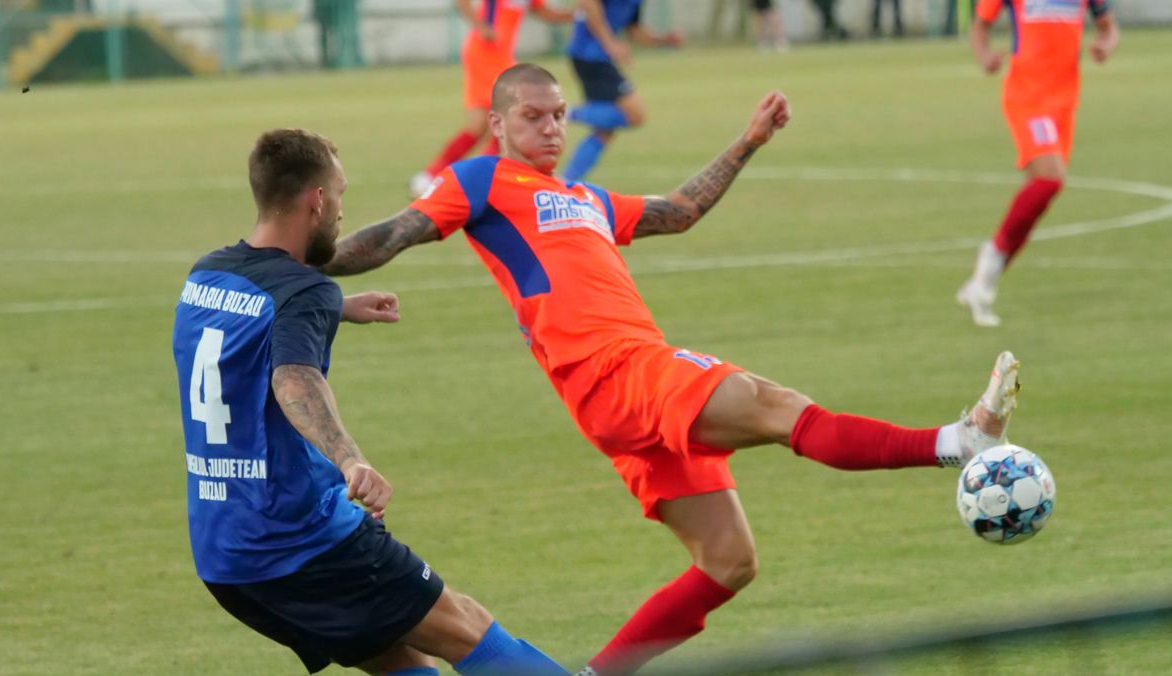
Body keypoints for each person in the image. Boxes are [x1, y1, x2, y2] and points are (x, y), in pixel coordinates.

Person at [323, 65, 1022, 674]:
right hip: (615, 370)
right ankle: (960, 441)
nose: (551, 127)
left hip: (625, 392)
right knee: (775, 405)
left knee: (729, 561)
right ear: (497, 123)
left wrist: (747, 143)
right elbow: (391, 235)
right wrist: (294, 263)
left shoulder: (587, 200)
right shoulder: (480, 179)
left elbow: (679, 211)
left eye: (560, 115)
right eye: (533, 116)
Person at [172, 128, 569, 676]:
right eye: (339, 194)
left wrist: (334, 307)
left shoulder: (208, 274)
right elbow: (293, 378)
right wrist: (349, 457)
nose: (339, 210)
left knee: (399, 660)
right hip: (298, 540)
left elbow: (248, 332)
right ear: (316, 199)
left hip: (225, 554)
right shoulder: (303, 292)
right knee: (468, 629)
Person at [957, 0, 1118, 326]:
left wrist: (1105, 45)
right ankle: (989, 260)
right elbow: (979, 25)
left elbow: (1109, 27)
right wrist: (984, 56)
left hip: (1065, 102)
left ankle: (982, 285)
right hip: (1028, 96)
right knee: (1050, 179)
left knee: (1037, 195)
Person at [410, 0, 573, 197]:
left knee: (502, 125)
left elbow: (542, 12)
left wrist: (576, 16)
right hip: (484, 53)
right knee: (487, 124)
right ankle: (432, 176)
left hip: (503, 58)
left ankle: (479, 180)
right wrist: (481, 26)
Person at [561, 0, 682, 182]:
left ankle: (568, 181)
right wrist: (610, 43)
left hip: (598, 57)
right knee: (635, 115)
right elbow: (588, 3)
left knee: (604, 130)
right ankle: (565, 114)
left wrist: (663, 39)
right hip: (589, 55)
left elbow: (634, 30)